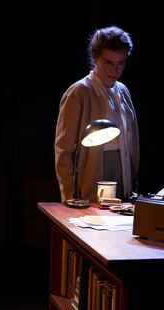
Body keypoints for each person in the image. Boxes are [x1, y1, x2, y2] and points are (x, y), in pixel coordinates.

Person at [55, 25, 139, 203]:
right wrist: (69, 196)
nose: (114, 70)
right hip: (92, 173)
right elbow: (64, 149)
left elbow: (132, 143)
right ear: (95, 58)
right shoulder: (79, 92)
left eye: (120, 63)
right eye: (108, 62)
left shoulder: (123, 91)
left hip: (122, 170)